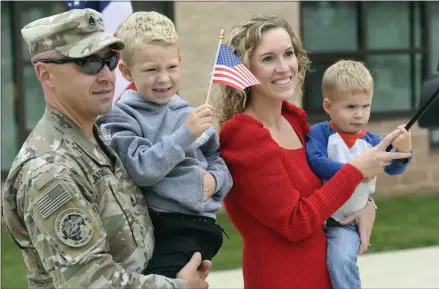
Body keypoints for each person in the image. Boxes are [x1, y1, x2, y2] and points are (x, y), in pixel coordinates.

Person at [1, 8, 211, 289]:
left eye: (109, 60)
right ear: (45, 74)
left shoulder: (97, 138)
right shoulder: (49, 169)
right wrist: (178, 286)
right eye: (87, 62)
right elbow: (90, 282)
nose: (105, 75)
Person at [214, 15, 412, 289]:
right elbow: (295, 222)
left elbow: (323, 192)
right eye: (268, 59)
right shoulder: (244, 134)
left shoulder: (294, 119)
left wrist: (366, 206)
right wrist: (355, 172)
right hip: (282, 279)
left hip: (325, 276)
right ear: (246, 70)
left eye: (288, 53)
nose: (284, 68)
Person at [96, 11, 233, 279]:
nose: (163, 78)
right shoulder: (121, 116)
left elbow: (217, 159)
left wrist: (214, 181)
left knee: (167, 280)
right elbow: (142, 170)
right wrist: (185, 135)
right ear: (125, 70)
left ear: (180, 62)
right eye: (151, 70)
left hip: (194, 226)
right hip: (152, 224)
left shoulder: (189, 113)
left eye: (171, 67)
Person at [305, 60, 413, 289]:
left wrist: (403, 151)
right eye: (351, 107)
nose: (360, 114)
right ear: (328, 106)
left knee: (342, 260)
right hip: (317, 218)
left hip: (346, 221)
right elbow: (316, 162)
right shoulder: (321, 133)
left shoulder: (373, 142)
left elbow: (393, 168)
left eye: (366, 106)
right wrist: (355, 171)